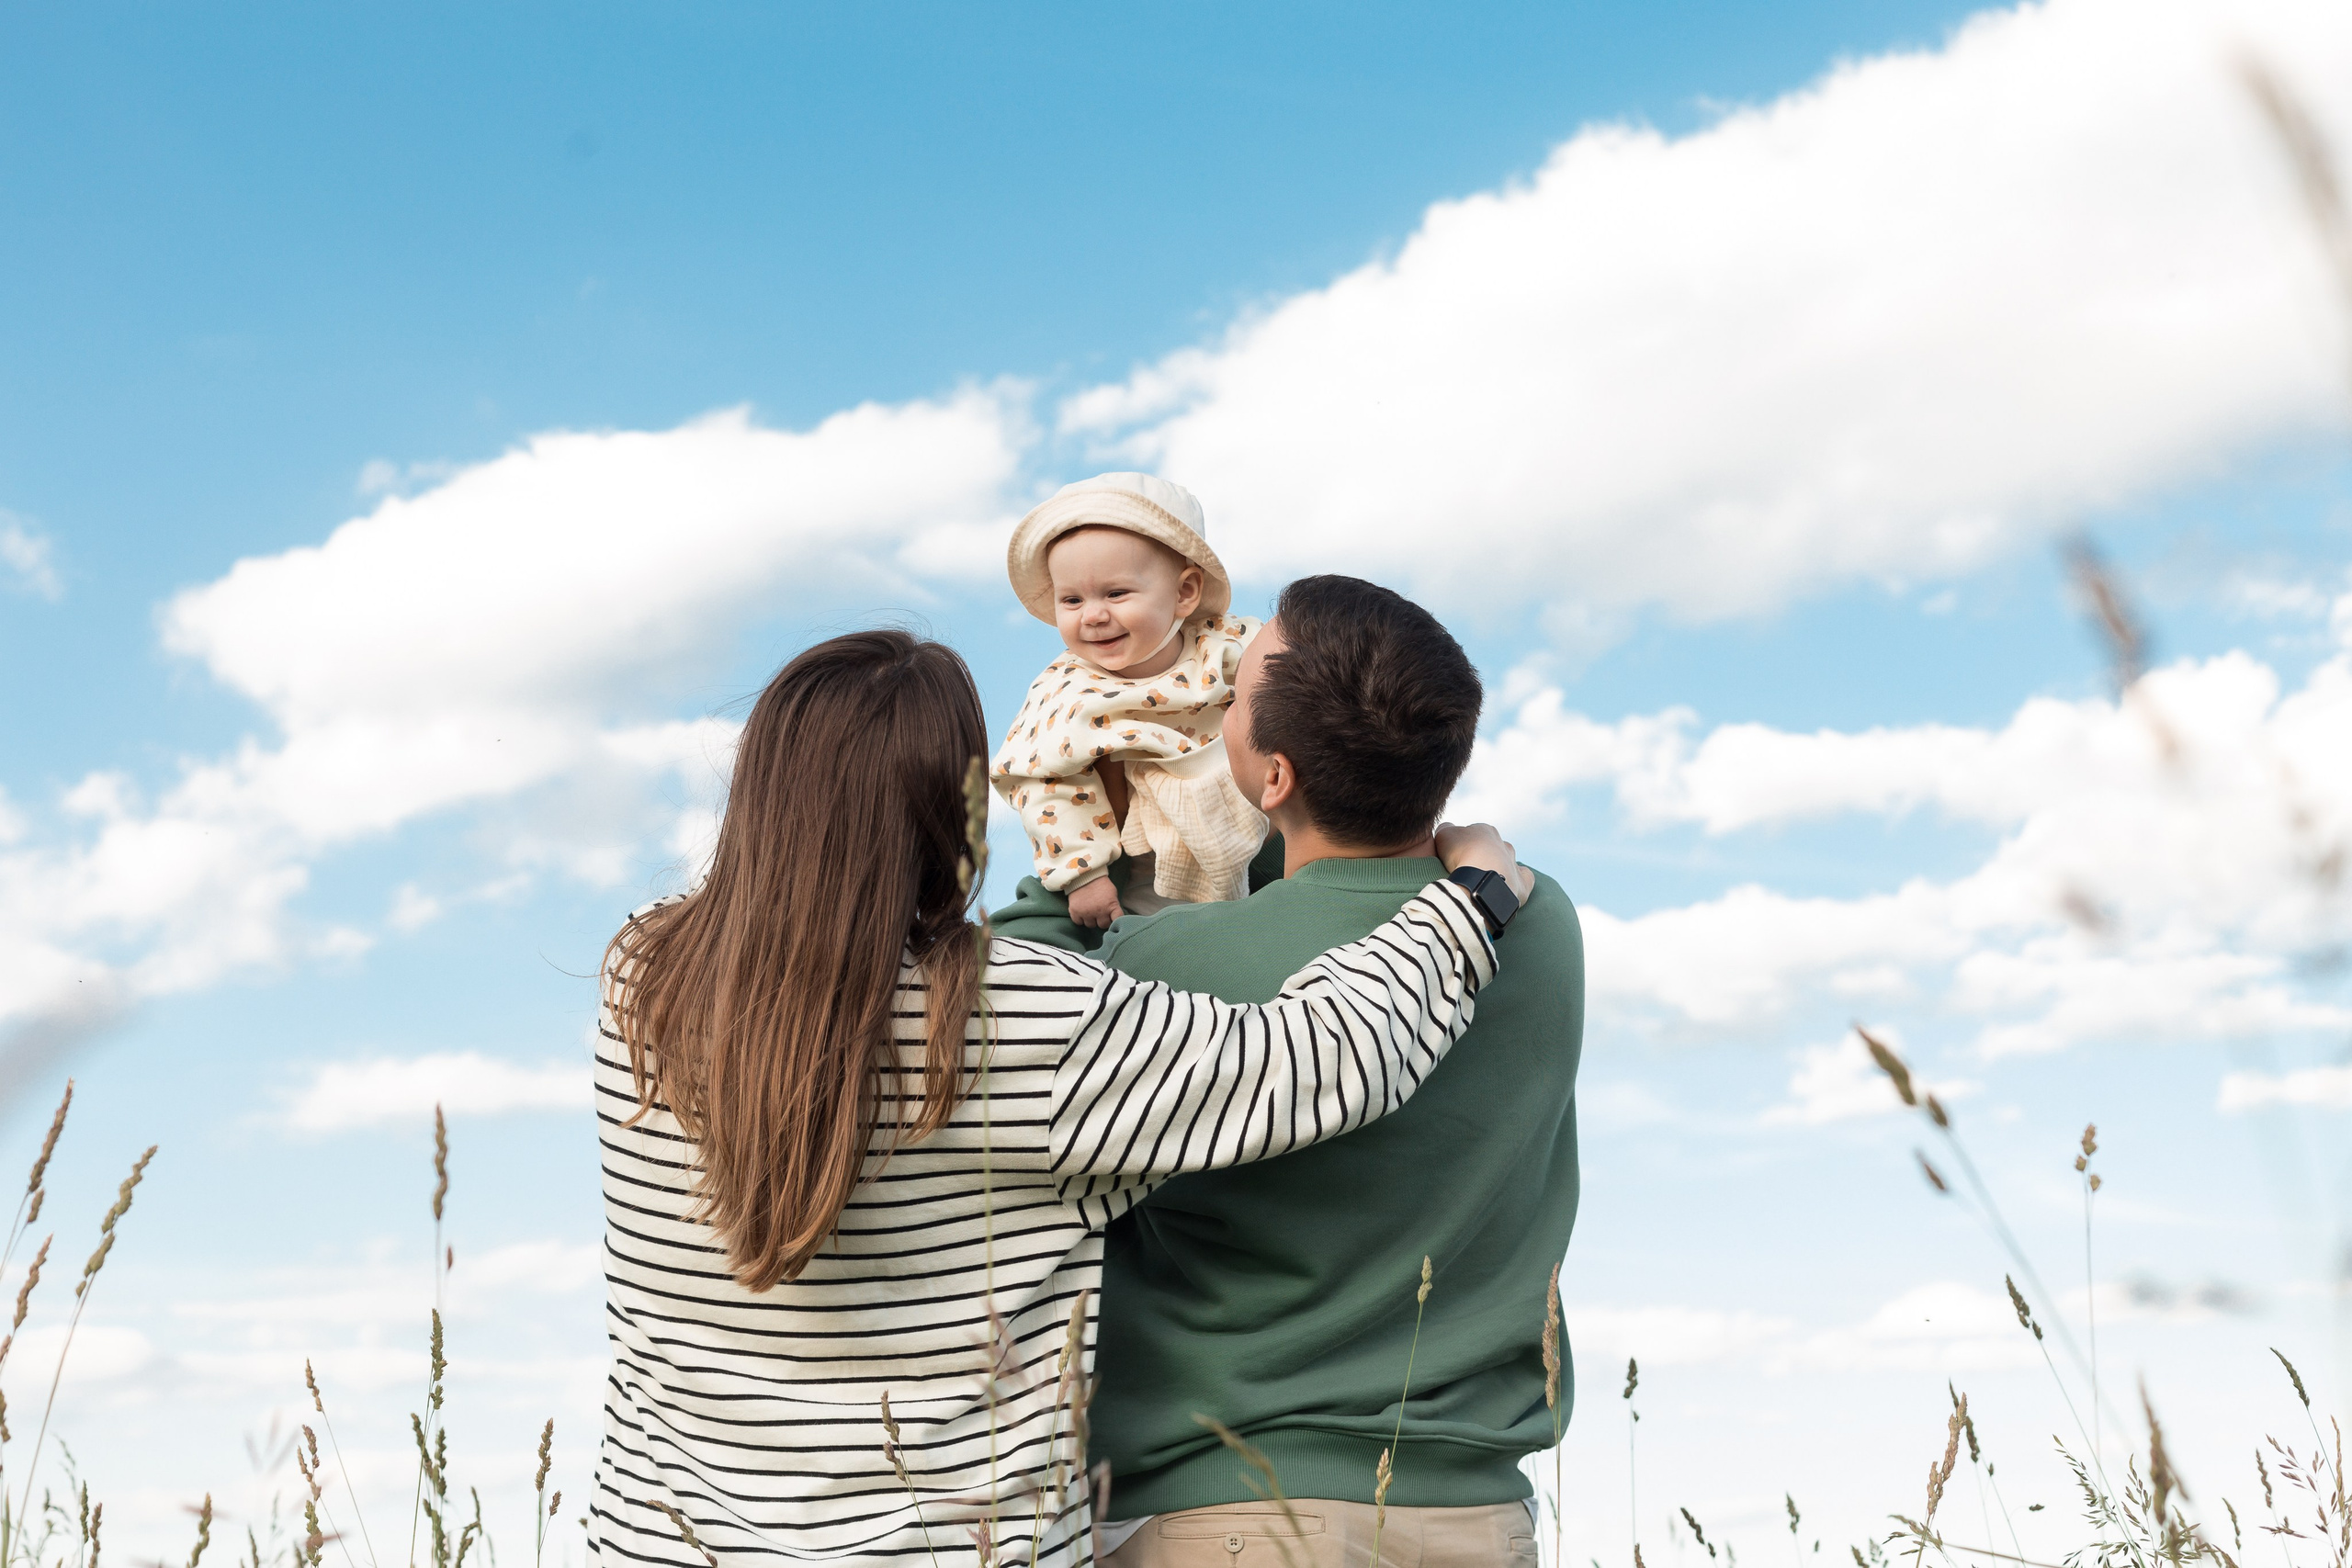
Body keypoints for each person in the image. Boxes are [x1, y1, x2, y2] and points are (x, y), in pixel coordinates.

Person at [588, 628, 1535, 1568]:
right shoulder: (1017, 1022)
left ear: (759, 789)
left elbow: (825, 1006)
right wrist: (1473, 898)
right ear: (950, 810)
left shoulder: (643, 977)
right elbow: (1325, 1058)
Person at [993, 577, 1585, 1568]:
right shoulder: (1536, 918)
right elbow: (1327, 890)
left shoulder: (1160, 967)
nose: (1210, 702)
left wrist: (1079, 837)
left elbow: (1009, 993)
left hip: (1227, 1511)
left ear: (1272, 778)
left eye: (1227, 698)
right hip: (1476, 1519)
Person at [993, 472, 1270, 931]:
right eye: (1072, 599)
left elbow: (1299, 691)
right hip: (1146, 880)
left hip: (1253, 840)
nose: (1095, 615)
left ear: (1185, 593)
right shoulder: (1065, 692)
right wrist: (1084, 874)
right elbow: (1044, 782)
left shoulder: (1225, 645)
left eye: (1116, 593)